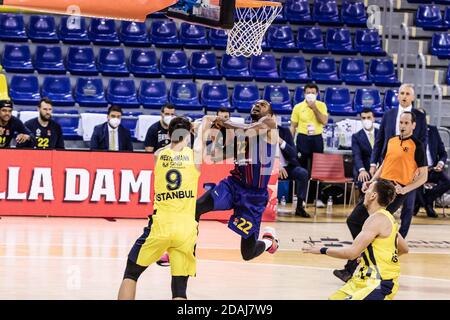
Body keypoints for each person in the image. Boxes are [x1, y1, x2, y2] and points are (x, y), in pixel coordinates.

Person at [333, 111, 427, 283]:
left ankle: (351, 269)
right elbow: (384, 164)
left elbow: (424, 176)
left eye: (407, 123)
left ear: (413, 125)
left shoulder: (417, 145)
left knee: (374, 225)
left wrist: (405, 190)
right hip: (380, 184)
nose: (403, 125)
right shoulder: (391, 141)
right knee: (354, 220)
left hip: (394, 191)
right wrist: (371, 181)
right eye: (401, 122)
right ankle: (365, 255)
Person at [118, 117, 202, 300]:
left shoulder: (159, 155)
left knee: (131, 273)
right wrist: (197, 129)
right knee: (180, 289)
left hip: (161, 226)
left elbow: (168, 148)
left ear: (169, 134)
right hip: (186, 230)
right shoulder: (195, 156)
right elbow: (200, 141)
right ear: (189, 136)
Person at [197, 100, 280, 260]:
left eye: (262, 105)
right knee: (196, 208)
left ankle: (269, 241)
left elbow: (249, 129)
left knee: (247, 254)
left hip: (253, 197)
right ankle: (187, 249)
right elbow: (217, 155)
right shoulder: (242, 136)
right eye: (255, 103)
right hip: (232, 186)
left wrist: (225, 122)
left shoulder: (269, 124)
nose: (257, 105)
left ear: (270, 114)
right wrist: (215, 131)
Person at [303, 179, 409, 300]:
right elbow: (404, 248)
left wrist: (322, 250)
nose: (365, 192)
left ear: (373, 195)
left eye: (369, 189)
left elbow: (351, 253)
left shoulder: (376, 220)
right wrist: (375, 258)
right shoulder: (388, 218)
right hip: (362, 280)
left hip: (378, 283)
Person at [290, 83, 328, 207]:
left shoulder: (321, 105)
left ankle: (317, 198)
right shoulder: (298, 107)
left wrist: (314, 108)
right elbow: (293, 126)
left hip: (317, 138)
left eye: (313, 92)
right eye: (308, 92)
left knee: (317, 169)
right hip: (302, 138)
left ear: (317, 94)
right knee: (302, 169)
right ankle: (301, 198)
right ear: (304, 94)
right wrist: (290, 141)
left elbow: (324, 121)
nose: (310, 95)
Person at [415, 123, 450, 218]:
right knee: (414, 183)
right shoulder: (413, 132)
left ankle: (425, 200)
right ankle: (426, 205)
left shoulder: (433, 130)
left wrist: (440, 163)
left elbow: (443, 153)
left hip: (433, 169)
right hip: (417, 171)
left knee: (447, 182)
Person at [278, 125, 310, 217]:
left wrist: (281, 142)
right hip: (269, 168)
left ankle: (300, 207)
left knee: (302, 173)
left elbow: (293, 153)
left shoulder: (284, 131)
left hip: (288, 168)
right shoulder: (261, 132)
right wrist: (276, 166)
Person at [352, 108, 379, 190]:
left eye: (368, 117)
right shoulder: (356, 136)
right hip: (365, 168)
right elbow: (357, 155)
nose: (366, 120)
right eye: (363, 118)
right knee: (363, 178)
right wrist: (362, 170)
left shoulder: (381, 133)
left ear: (373, 118)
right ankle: (364, 202)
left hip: (381, 168)